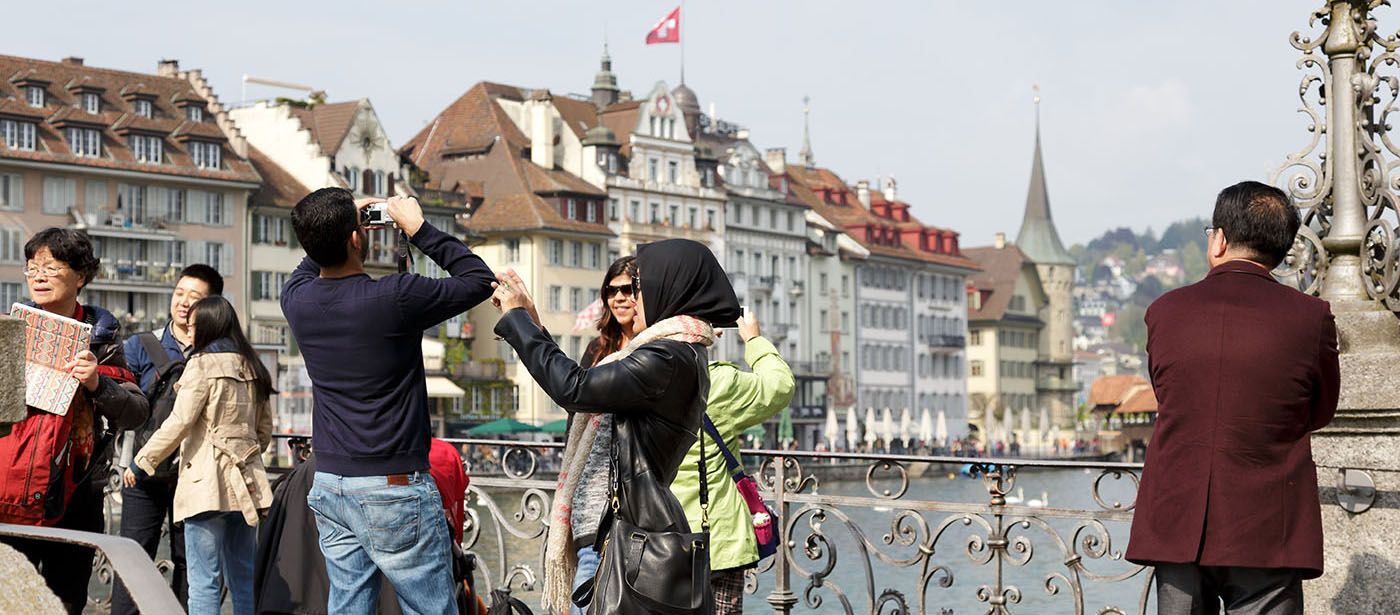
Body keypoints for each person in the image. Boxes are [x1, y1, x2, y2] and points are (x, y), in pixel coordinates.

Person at [491, 239, 739, 615]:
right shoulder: (679, 352)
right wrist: (529, 318)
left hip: (616, 533)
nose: (633, 300)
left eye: (639, 288)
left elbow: (574, 388)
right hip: (613, 526)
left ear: (669, 288)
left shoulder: (667, 358)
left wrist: (518, 322)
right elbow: (585, 387)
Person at [1126, 181, 1340, 615]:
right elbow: (1321, 409)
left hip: (1179, 518)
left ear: (1219, 239)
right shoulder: (1310, 317)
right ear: (1281, 250)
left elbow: (1169, 394)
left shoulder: (1165, 311)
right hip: (1267, 521)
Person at [281, 188, 495, 614]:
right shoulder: (394, 296)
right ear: (358, 240)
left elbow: (311, 261)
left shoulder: (296, 300)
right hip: (393, 485)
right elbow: (479, 280)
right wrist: (419, 230)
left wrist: (336, 224)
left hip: (331, 483)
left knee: (348, 606)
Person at [0, 228, 149, 614]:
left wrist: (98, 383)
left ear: (80, 276)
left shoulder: (104, 343)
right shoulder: (9, 331)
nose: (39, 276)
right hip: (9, 493)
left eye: (51, 267)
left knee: (66, 601)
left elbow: (137, 412)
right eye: (32, 268)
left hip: (75, 495)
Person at [129, 296, 273, 615]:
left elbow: (179, 422)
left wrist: (142, 462)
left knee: (204, 581)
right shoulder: (254, 367)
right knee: (244, 578)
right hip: (247, 485)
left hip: (206, 485)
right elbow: (263, 434)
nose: (189, 332)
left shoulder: (201, 365)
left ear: (208, 326)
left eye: (193, 326)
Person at [525, 256, 639, 615]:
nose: (619, 298)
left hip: (628, 507)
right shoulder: (599, 349)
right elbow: (573, 402)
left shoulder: (655, 351)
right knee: (584, 598)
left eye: (628, 289)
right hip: (589, 502)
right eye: (611, 290)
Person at [112, 263, 222, 614]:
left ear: (212, 303)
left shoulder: (219, 352)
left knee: (191, 561)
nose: (184, 302)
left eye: (195, 296)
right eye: (179, 293)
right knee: (132, 557)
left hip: (196, 474)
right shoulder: (142, 345)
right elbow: (120, 395)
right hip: (141, 471)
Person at [671, 313, 794, 614]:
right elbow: (780, 385)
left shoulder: (640, 377)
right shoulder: (717, 382)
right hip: (719, 538)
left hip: (660, 536)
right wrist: (753, 340)